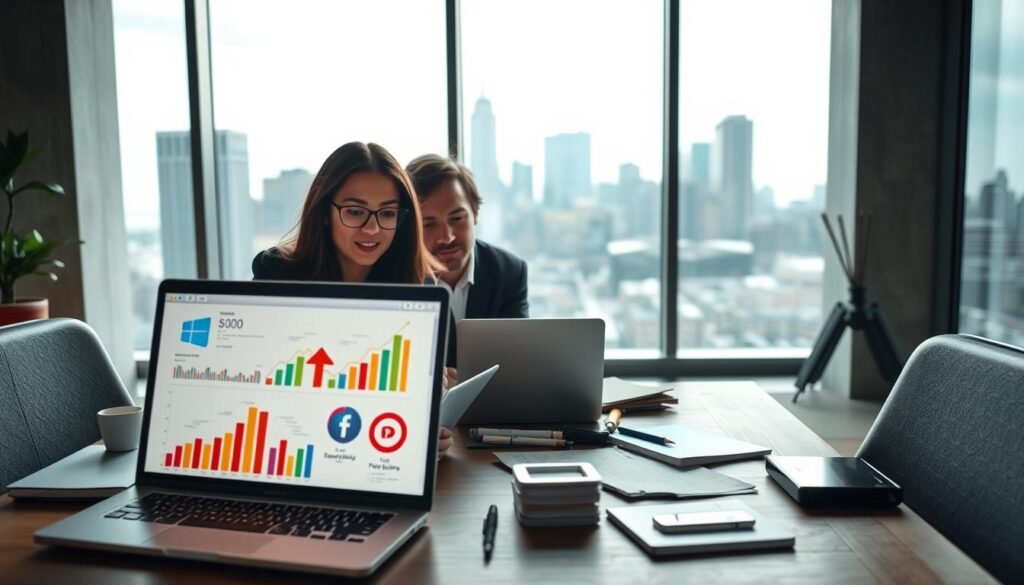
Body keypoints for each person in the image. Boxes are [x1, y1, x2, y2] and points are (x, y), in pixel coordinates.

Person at [252, 141, 454, 458]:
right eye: (355, 212)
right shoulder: (276, 273)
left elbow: (419, 397)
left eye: (387, 213)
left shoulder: (421, 287)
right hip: (293, 449)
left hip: (376, 453)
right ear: (324, 213)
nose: (372, 228)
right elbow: (265, 391)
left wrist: (425, 431)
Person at [405, 154, 529, 322]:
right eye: (428, 225)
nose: (446, 238)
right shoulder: (399, 275)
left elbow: (519, 345)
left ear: (475, 212)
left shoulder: (510, 272)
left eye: (456, 219)